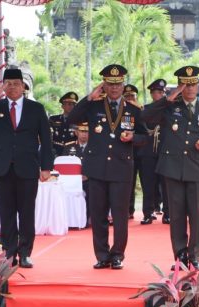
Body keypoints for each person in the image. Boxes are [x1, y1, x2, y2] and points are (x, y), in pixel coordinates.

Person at [141, 65, 199, 269]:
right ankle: (179, 257)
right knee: (177, 215)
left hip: (196, 167)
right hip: (172, 167)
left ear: (198, 86)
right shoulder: (169, 107)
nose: (189, 88)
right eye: (185, 85)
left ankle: (194, 256)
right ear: (180, 86)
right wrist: (167, 98)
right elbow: (145, 117)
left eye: (193, 84)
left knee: (197, 215)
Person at [0, 68, 54, 269]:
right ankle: (9, 253)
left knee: (26, 212)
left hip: (28, 167)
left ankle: (25, 253)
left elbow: (47, 139)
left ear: (23, 86)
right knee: (6, 213)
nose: (12, 87)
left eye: (16, 83)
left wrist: (46, 167)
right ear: (3, 86)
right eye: (8, 84)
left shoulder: (36, 108)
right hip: (2, 167)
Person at [67, 64, 148, 270]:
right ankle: (102, 255)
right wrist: (89, 97)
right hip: (97, 168)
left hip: (121, 169)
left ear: (123, 84)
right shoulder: (94, 106)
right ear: (104, 85)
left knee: (120, 216)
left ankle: (118, 254)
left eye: (118, 84)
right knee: (99, 214)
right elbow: (72, 118)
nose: (114, 88)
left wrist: (133, 137)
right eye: (110, 84)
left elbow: (146, 137)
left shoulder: (133, 109)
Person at [129, 82, 158, 224]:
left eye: (132, 96)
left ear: (136, 97)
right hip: (127, 153)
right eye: (126, 96)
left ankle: (148, 212)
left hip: (146, 152)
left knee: (148, 184)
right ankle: (128, 211)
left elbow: (148, 132)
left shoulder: (143, 110)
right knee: (128, 183)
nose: (129, 99)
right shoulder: (119, 112)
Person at [145, 79, 169, 223]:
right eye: (157, 92)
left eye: (161, 92)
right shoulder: (146, 109)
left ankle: (167, 213)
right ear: (152, 94)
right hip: (148, 152)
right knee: (148, 184)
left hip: (164, 152)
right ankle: (148, 213)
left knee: (166, 185)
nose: (159, 95)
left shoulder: (169, 110)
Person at [64, 122, 91, 225]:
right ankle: (70, 220)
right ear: (76, 132)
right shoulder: (68, 147)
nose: (84, 134)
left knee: (93, 189)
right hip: (72, 180)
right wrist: (75, 178)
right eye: (82, 131)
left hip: (89, 179)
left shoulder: (95, 147)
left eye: (87, 131)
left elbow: (97, 164)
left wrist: (87, 176)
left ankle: (87, 218)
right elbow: (65, 165)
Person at [49, 92, 79, 156]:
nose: (72, 106)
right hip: (56, 151)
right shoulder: (53, 119)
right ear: (62, 106)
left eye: (74, 104)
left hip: (72, 152)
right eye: (69, 104)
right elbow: (48, 137)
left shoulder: (78, 121)